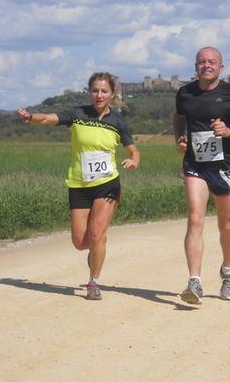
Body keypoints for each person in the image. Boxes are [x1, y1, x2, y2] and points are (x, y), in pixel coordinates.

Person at [18, 72, 140, 300]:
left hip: (107, 184)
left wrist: (133, 161)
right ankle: (96, 250)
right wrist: (31, 117)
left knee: (96, 233)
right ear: (89, 92)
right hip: (79, 184)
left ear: (112, 94)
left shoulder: (118, 123)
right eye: (95, 90)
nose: (99, 95)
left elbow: (133, 150)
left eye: (104, 91)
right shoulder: (77, 114)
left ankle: (93, 282)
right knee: (79, 241)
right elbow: (48, 118)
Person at [173, 46, 230, 304]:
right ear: (196, 66)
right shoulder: (184, 93)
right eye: (201, 62)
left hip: (227, 167)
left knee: (226, 225)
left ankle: (228, 272)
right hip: (195, 166)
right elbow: (178, 118)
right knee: (195, 218)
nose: (206, 66)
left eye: (212, 62)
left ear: (221, 67)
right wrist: (179, 140)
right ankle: (194, 281)